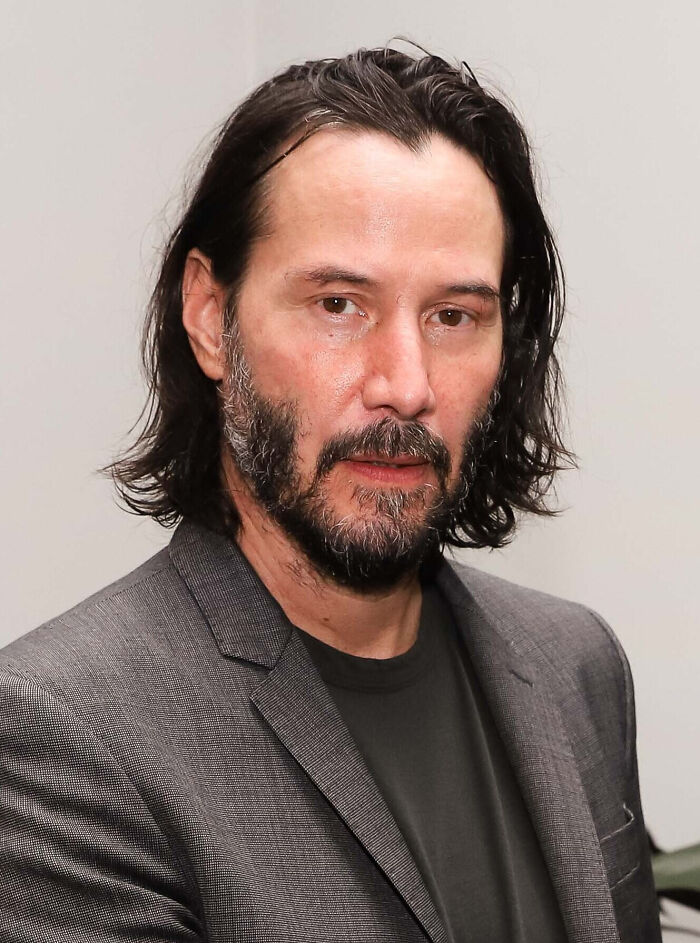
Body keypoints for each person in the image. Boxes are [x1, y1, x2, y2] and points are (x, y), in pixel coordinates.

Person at [0, 47, 660, 943]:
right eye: (339, 305)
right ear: (210, 316)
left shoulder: (576, 664)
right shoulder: (60, 733)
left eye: (453, 316)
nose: (405, 382)